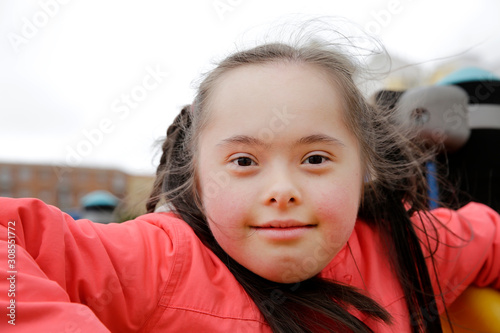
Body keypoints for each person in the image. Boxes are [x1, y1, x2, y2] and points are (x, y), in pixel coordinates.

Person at [1, 31, 499, 333]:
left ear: (365, 167)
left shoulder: (409, 246)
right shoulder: (163, 261)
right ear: (196, 179)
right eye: (243, 161)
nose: (281, 189)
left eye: (316, 157)